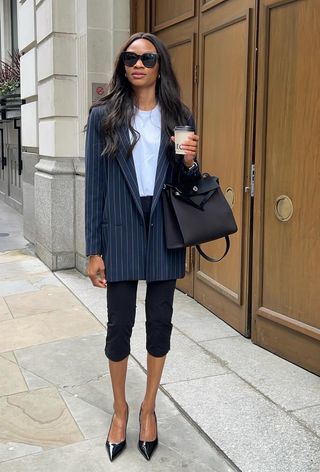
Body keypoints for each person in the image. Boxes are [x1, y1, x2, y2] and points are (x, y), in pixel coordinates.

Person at [84, 32, 200, 462]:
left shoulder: (179, 114)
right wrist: (94, 249)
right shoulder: (104, 116)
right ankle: (121, 409)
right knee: (119, 327)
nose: (139, 63)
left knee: (160, 323)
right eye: (131, 57)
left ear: (159, 65)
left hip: (164, 231)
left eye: (148, 57)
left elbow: (188, 183)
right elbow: (95, 188)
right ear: (123, 65)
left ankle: (149, 408)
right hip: (120, 232)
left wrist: (189, 163)